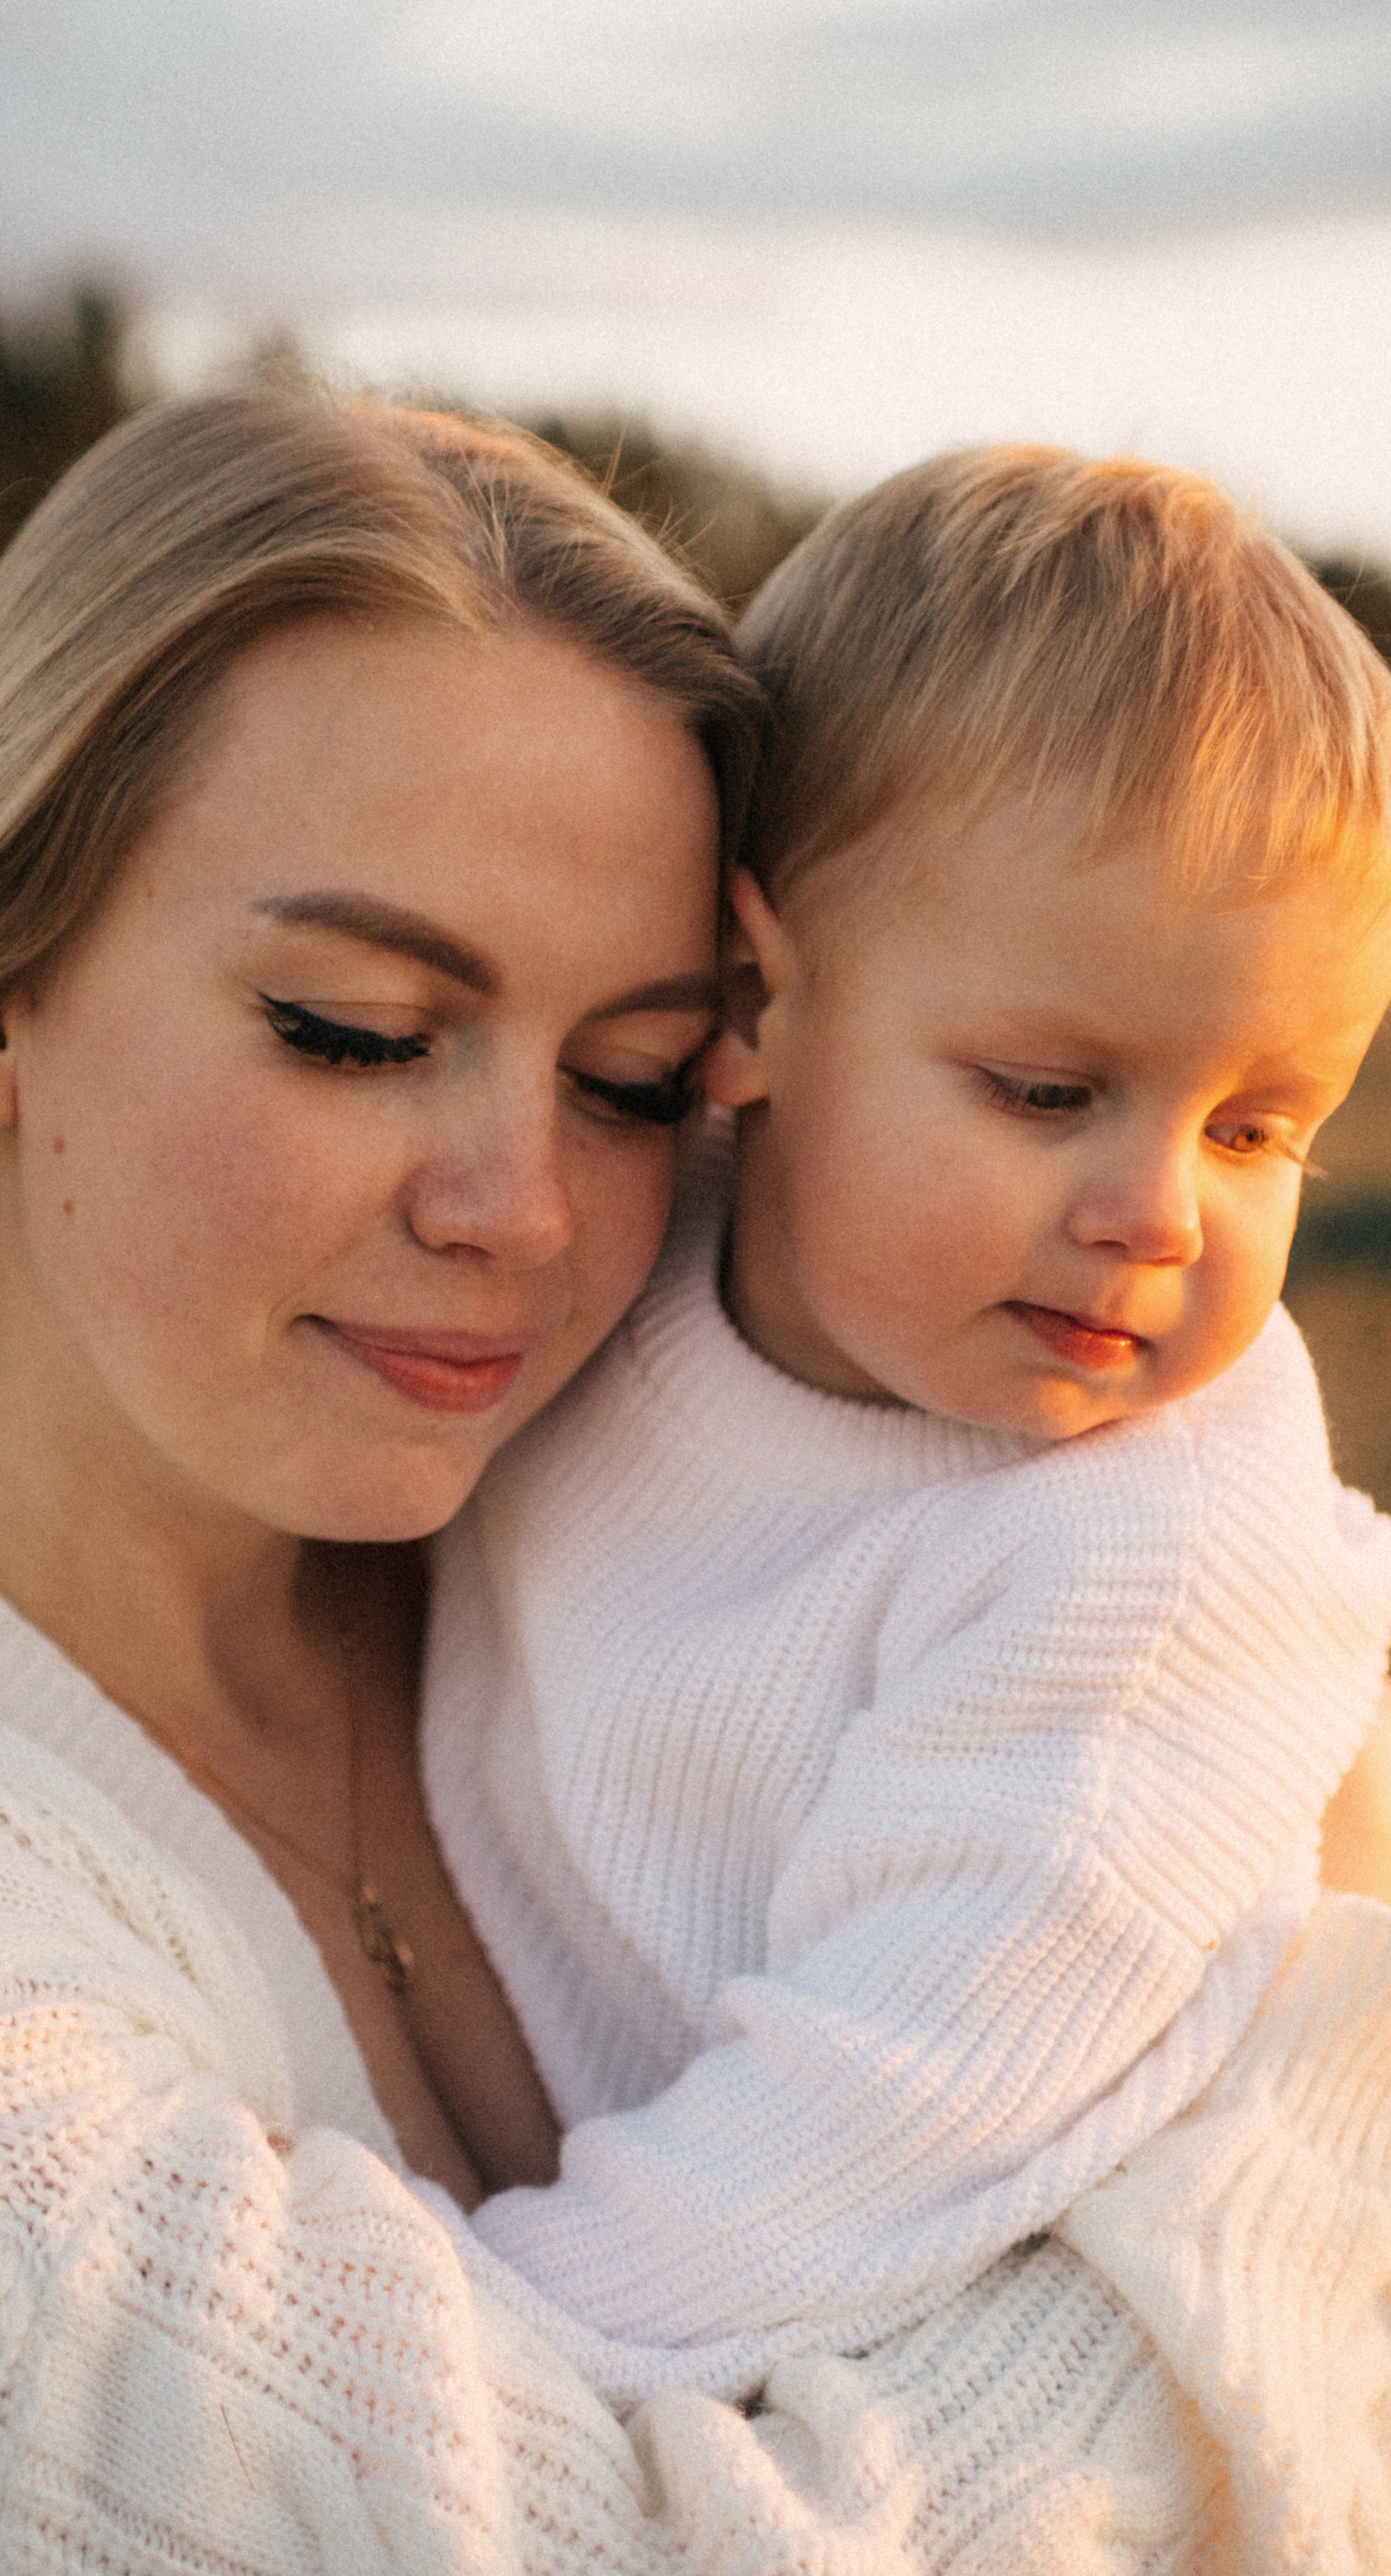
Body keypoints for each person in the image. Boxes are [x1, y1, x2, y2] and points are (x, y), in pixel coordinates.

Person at [0, 393, 1378, 2576]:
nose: (528, 1213)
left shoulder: (634, 1492)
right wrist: (1321, 2141)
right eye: (360, 1031)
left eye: (639, 1080)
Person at [422, 449, 1391, 2489]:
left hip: (921, 2358)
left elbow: (881, 2122)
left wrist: (444, 2352)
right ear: (751, 1007)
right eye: (1049, 1091)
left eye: (1259, 1130)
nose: (1160, 1214)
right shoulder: (645, 1241)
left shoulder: (1145, 1567)